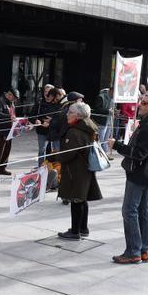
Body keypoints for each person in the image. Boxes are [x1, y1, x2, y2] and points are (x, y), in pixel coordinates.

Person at [108, 94, 148, 264]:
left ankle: (133, 251)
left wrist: (117, 145)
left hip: (139, 174)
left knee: (129, 211)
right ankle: (143, 249)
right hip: (146, 173)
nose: (140, 105)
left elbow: (139, 154)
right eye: (141, 102)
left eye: (145, 103)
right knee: (142, 211)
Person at [55, 102, 102, 240]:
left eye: (70, 112)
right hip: (84, 169)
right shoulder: (88, 126)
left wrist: (53, 156)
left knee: (76, 200)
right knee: (82, 198)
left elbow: (67, 154)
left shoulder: (75, 132)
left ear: (78, 115)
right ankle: (83, 228)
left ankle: (75, 231)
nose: (67, 114)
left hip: (76, 170)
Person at [0, 88, 19, 176]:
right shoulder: (0, 101)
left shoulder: (11, 103)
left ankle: (2, 168)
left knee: (7, 149)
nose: (14, 100)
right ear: (9, 94)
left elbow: (13, 113)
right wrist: (8, 117)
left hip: (9, 129)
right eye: (13, 98)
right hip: (0, 130)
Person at [33, 87, 62, 162]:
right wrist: (36, 120)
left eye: (49, 92)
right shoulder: (39, 102)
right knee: (42, 150)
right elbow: (32, 115)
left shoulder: (58, 103)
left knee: (55, 150)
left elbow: (59, 118)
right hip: (42, 130)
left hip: (53, 131)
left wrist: (50, 122)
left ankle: (53, 168)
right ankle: (41, 168)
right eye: (45, 91)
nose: (47, 94)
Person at [91, 88, 114, 154]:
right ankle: (99, 154)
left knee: (106, 140)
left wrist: (114, 111)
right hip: (101, 121)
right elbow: (97, 109)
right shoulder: (101, 97)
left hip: (109, 121)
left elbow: (112, 108)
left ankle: (105, 154)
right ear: (111, 90)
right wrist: (108, 111)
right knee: (101, 139)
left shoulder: (112, 98)